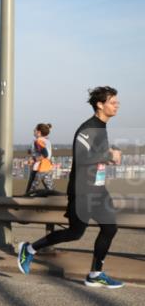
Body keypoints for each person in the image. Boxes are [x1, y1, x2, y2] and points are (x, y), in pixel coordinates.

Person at [18, 87, 124, 288]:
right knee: (75, 233)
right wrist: (109, 155)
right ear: (100, 105)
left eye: (116, 102)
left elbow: (94, 157)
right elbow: (82, 157)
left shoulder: (101, 127)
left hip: (98, 189)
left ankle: (96, 274)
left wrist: (107, 156)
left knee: (110, 228)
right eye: (112, 101)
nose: (116, 105)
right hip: (83, 190)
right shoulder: (88, 128)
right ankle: (29, 249)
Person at [24, 123, 55, 196]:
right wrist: (31, 151)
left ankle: (25, 203)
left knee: (31, 190)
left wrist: (33, 160)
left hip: (40, 168)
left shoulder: (38, 141)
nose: (33, 130)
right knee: (50, 190)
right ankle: (55, 203)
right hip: (48, 167)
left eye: (35, 129)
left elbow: (45, 154)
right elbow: (43, 151)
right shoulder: (47, 141)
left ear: (39, 132)